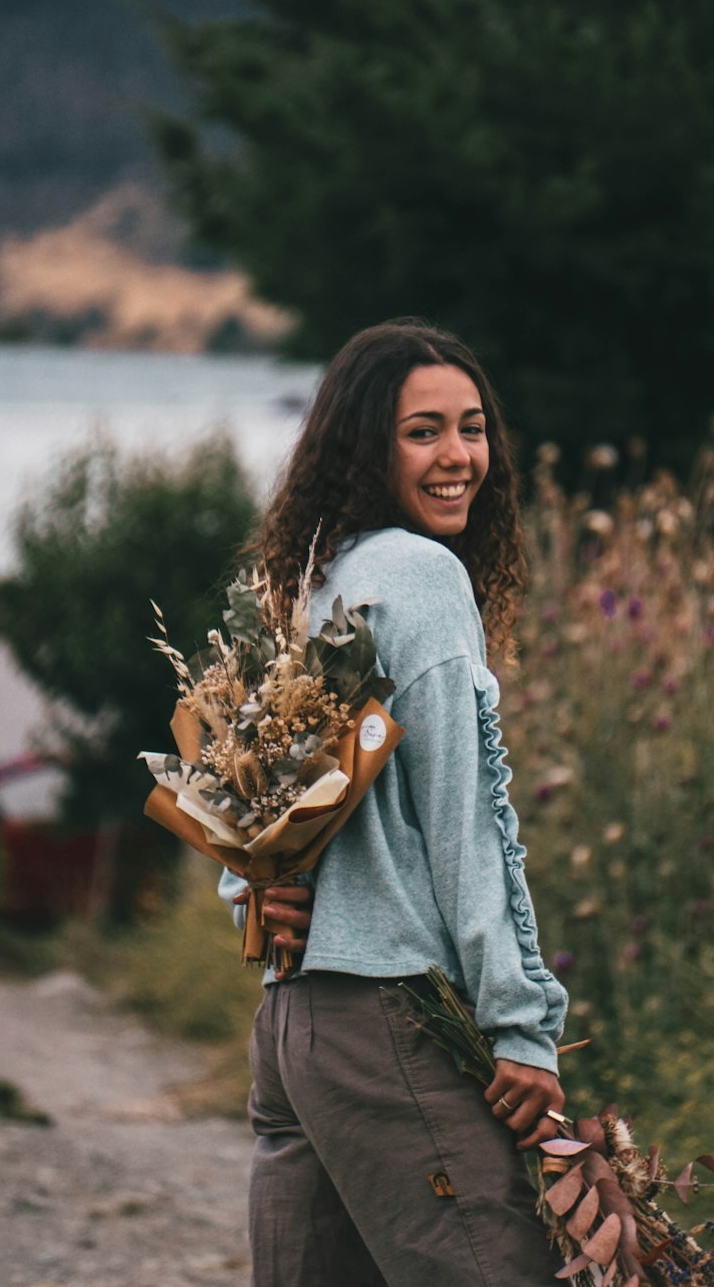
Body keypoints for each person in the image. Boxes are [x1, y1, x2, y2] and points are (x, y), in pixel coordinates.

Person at [219, 319, 569, 1287]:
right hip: (383, 1024)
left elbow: (238, 787)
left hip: (295, 1034)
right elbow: (472, 825)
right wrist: (520, 1025)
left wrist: (250, 890)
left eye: (472, 428)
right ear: (367, 446)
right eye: (424, 432)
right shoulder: (417, 576)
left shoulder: (320, 578)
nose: (460, 457)